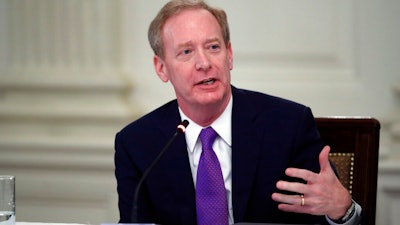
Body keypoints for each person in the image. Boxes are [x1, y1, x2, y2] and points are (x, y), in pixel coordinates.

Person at [114, 0, 362, 224]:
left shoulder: (287, 126)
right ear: (161, 68)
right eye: (186, 52)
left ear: (229, 55)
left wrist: (343, 210)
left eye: (213, 47)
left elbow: (325, 216)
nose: (204, 63)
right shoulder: (137, 144)